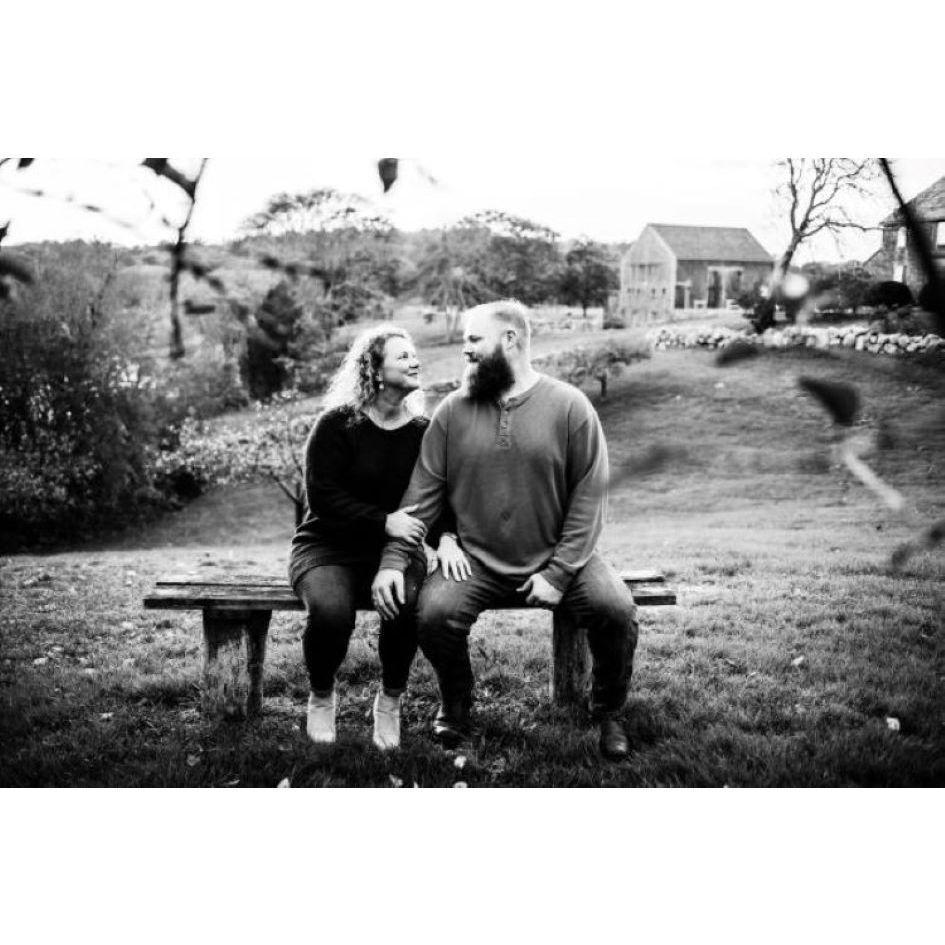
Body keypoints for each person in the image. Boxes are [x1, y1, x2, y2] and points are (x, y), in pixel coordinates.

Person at [371, 300, 639, 761]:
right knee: (434, 616)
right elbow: (421, 497)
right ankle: (456, 703)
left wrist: (557, 574)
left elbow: (590, 498)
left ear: (509, 340)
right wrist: (394, 562)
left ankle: (608, 710)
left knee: (615, 609)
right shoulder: (453, 411)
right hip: (475, 560)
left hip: (559, 556)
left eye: (474, 340)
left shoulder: (571, 407)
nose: (466, 351)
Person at [288, 324, 459, 751]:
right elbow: (323, 498)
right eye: (403, 356)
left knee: (403, 605)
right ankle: (322, 693)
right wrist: (384, 520)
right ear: (375, 370)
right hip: (327, 545)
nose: (415, 360)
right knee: (331, 612)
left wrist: (448, 536)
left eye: (414, 353)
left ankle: (390, 699)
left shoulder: (423, 431)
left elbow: (435, 495)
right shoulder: (337, 425)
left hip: (394, 551)